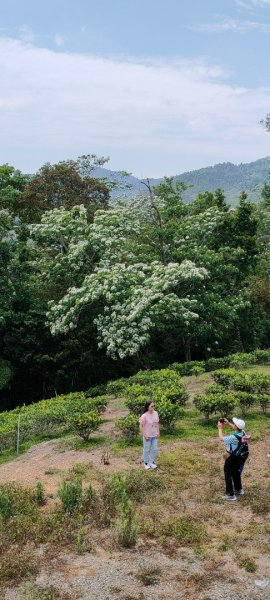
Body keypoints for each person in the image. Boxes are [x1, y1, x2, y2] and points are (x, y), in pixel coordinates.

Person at [217, 417, 248, 501]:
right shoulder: (243, 432)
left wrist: (220, 428)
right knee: (236, 472)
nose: (233, 425)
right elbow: (236, 428)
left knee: (228, 473)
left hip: (233, 457)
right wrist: (228, 423)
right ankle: (239, 489)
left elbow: (221, 438)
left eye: (234, 424)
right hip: (240, 457)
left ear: (236, 426)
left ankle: (231, 494)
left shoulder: (233, 437)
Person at [139, 401, 160, 469]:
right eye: (152, 406)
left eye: (154, 406)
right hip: (147, 436)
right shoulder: (144, 416)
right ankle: (145, 463)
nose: (153, 407)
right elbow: (141, 426)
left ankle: (152, 462)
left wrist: (158, 432)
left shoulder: (156, 413)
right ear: (148, 407)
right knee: (146, 449)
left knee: (154, 449)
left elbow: (157, 423)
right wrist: (144, 435)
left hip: (154, 435)